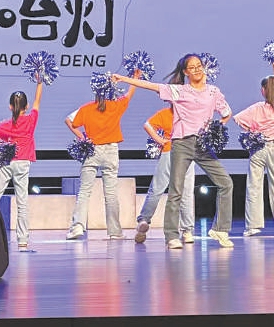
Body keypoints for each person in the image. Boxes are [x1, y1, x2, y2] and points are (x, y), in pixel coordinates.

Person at [113, 54, 234, 250]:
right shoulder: (179, 91)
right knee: (176, 190)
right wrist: (124, 79)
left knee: (226, 183)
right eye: (192, 67)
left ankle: (220, 229)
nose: (197, 69)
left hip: (203, 144)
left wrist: (216, 128)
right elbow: (151, 86)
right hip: (182, 144)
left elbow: (227, 113)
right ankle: (171, 236)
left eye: (199, 66)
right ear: (185, 72)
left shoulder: (213, 92)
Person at [65, 70, 140, 240]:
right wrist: (135, 78)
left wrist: (82, 137)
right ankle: (115, 231)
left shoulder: (86, 108)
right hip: (111, 151)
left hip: (92, 151)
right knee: (111, 194)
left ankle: (77, 228)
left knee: (84, 192)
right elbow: (129, 94)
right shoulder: (116, 106)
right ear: (110, 91)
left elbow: (68, 121)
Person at [234, 61, 274, 237]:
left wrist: (252, 131)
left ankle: (253, 226)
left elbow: (238, 119)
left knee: (254, 187)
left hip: (258, 149)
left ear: (263, 90)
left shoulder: (257, 108)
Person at [0, 74, 44, 251]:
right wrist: (39, 82)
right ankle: (22, 242)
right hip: (23, 163)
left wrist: (3, 143)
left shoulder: (6, 124)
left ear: (10, 106)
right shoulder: (31, 120)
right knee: (22, 202)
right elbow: (38, 101)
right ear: (26, 106)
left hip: (6, 162)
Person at [134, 103, 197, 244]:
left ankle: (144, 220)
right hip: (187, 154)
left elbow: (147, 125)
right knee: (186, 193)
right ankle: (187, 231)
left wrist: (161, 140)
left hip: (169, 151)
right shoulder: (190, 113)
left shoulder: (165, 113)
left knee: (156, 189)